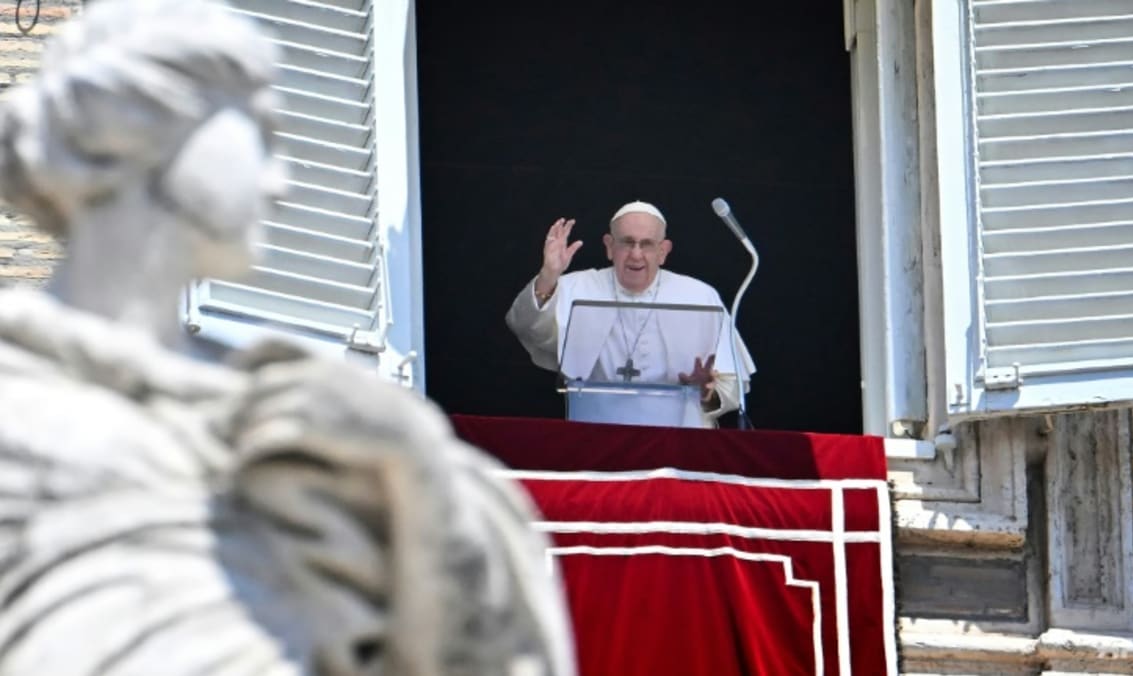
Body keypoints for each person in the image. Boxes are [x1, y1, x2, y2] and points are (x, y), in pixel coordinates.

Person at [0, 2, 574, 675]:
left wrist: (416, 472)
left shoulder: (316, 420)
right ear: (138, 129)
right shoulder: (23, 405)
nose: (281, 181)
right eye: (260, 132)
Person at [506, 201, 755, 427]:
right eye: (627, 242)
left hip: (680, 442)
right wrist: (549, 274)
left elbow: (731, 385)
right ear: (609, 246)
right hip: (596, 438)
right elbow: (527, 328)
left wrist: (706, 391)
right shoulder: (575, 287)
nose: (636, 254)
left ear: (663, 251)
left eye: (647, 244)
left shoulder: (699, 295)